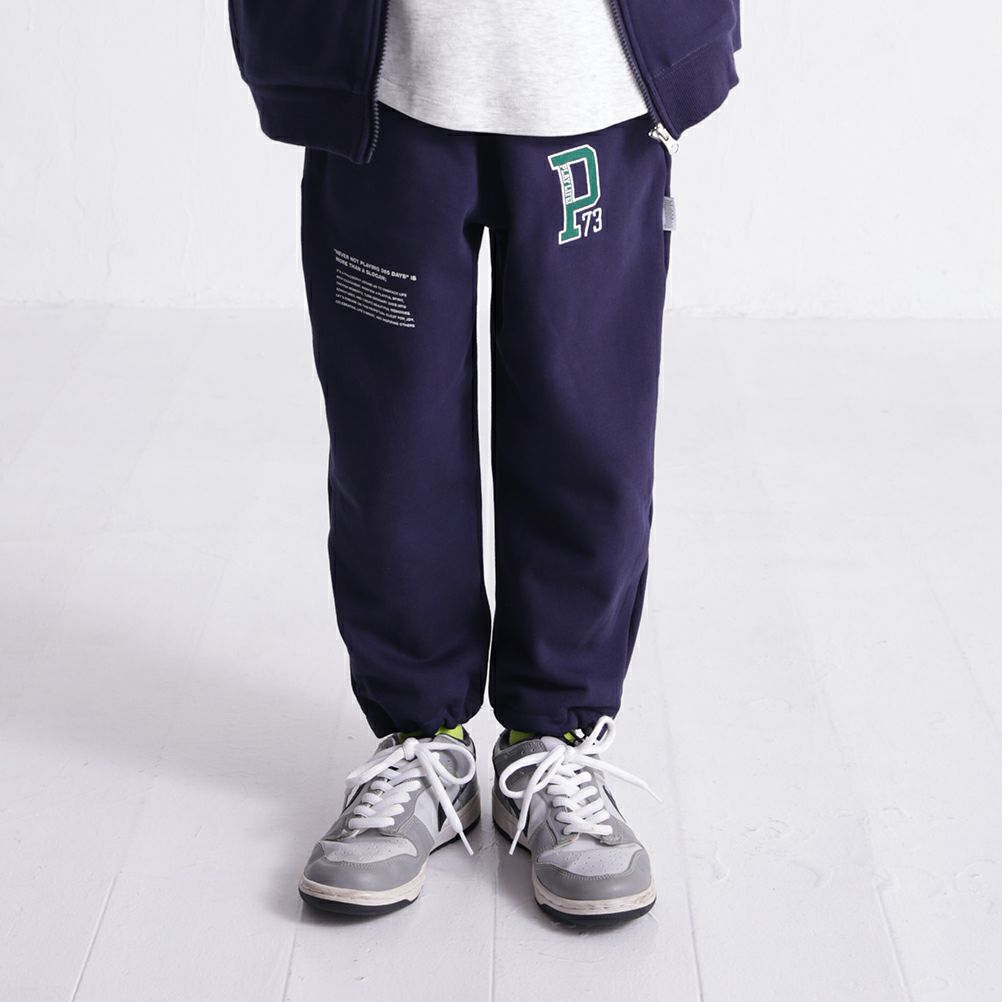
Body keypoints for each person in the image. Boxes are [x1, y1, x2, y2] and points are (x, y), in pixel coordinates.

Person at [228, 0, 741, 926]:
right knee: (392, 444)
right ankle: (422, 738)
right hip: (384, 81)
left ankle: (555, 740)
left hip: (596, 79)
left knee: (590, 435)